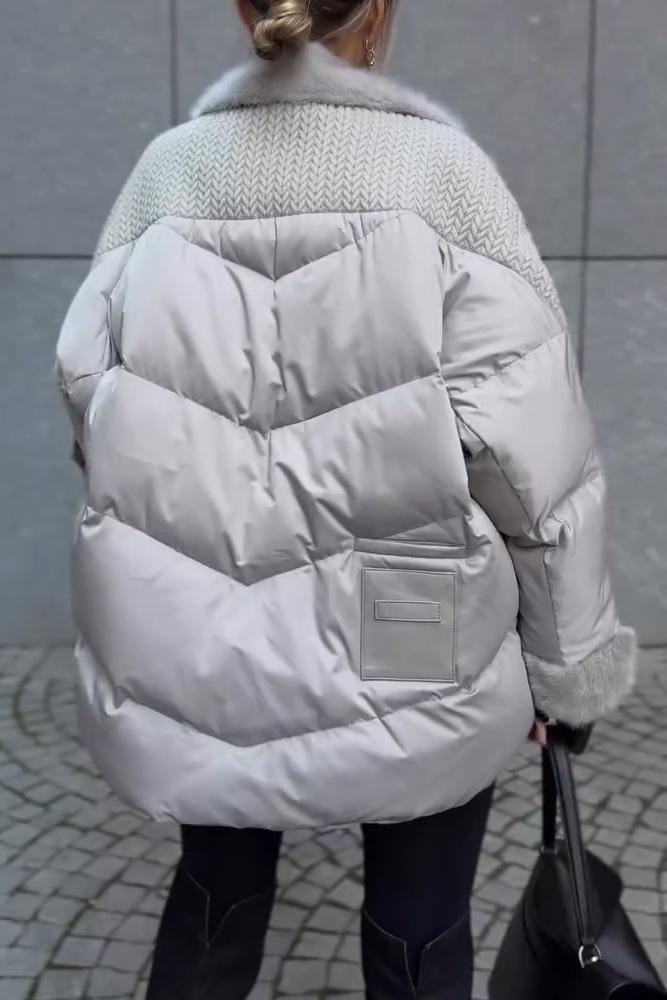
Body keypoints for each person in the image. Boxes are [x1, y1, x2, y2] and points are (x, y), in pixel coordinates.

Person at [55, 1, 637, 997]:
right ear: (377, 13)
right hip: (407, 620)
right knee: (419, 924)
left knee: (214, 896)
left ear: (245, 9)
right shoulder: (444, 180)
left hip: (205, 626)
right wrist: (565, 673)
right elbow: (533, 465)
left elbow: (89, 405)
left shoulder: (165, 179)